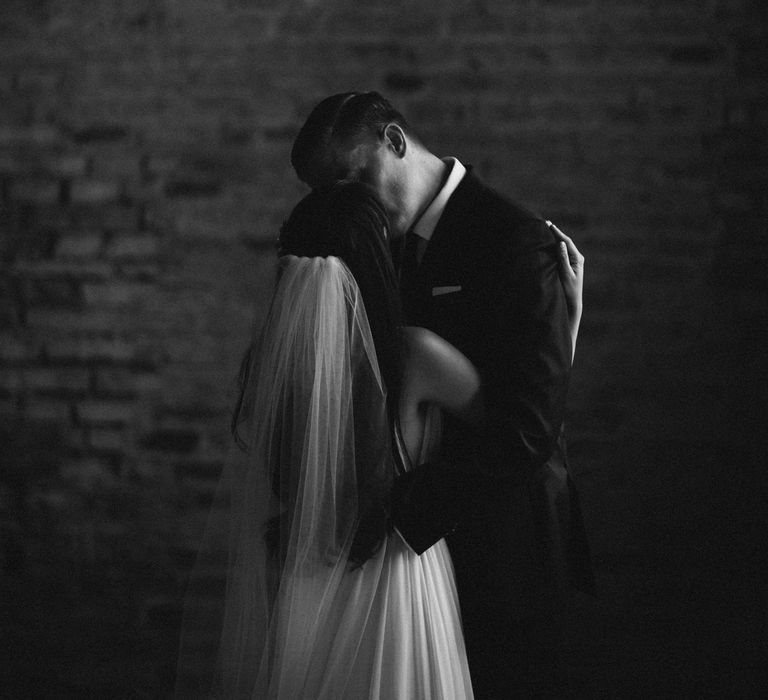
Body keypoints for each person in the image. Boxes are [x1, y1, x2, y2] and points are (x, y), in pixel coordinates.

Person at [174, 181, 585, 699]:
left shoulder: (274, 368)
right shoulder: (415, 358)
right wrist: (565, 327)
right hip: (396, 590)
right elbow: (525, 425)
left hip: (309, 588)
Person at [291, 92, 594, 698]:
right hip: (411, 570)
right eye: (333, 196)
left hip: (508, 556)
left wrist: (392, 522)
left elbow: (527, 431)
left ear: (395, 142)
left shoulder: (516, 241)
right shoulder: (366, 251)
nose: (352, 206)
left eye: (355, 181)